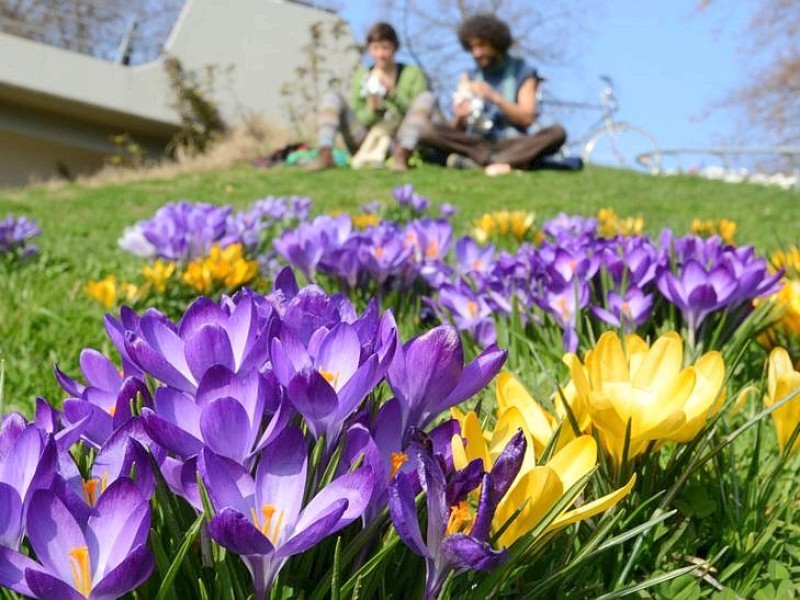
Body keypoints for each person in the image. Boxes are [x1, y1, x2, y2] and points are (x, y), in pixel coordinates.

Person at [416, 14, 567, 175]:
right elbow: (457, 130)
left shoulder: (523, 73)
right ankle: (503, 162)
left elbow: (526, 118)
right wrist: (460, 117)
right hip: (475, 143)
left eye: (481, 46)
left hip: (511, 142)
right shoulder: (468, 76)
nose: (476, 53)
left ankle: (483, 161)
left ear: (496, 43)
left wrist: (494, 97)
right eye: (472, 48)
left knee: (557, 133)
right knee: (423, 129)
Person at [306, 22, 433, 172]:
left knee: (426, 97)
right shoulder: (362, 75)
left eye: (385, 48)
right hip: (364, 140)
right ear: (369, 50)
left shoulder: (411, 73)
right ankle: (325, 154)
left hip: (398, 140)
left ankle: (402, 157)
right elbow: (359, 117)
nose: (381, 54)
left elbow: (417, 114)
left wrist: (392, 94)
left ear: (394, 47)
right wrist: (373, 110)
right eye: (375, 48)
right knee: (331, 98)